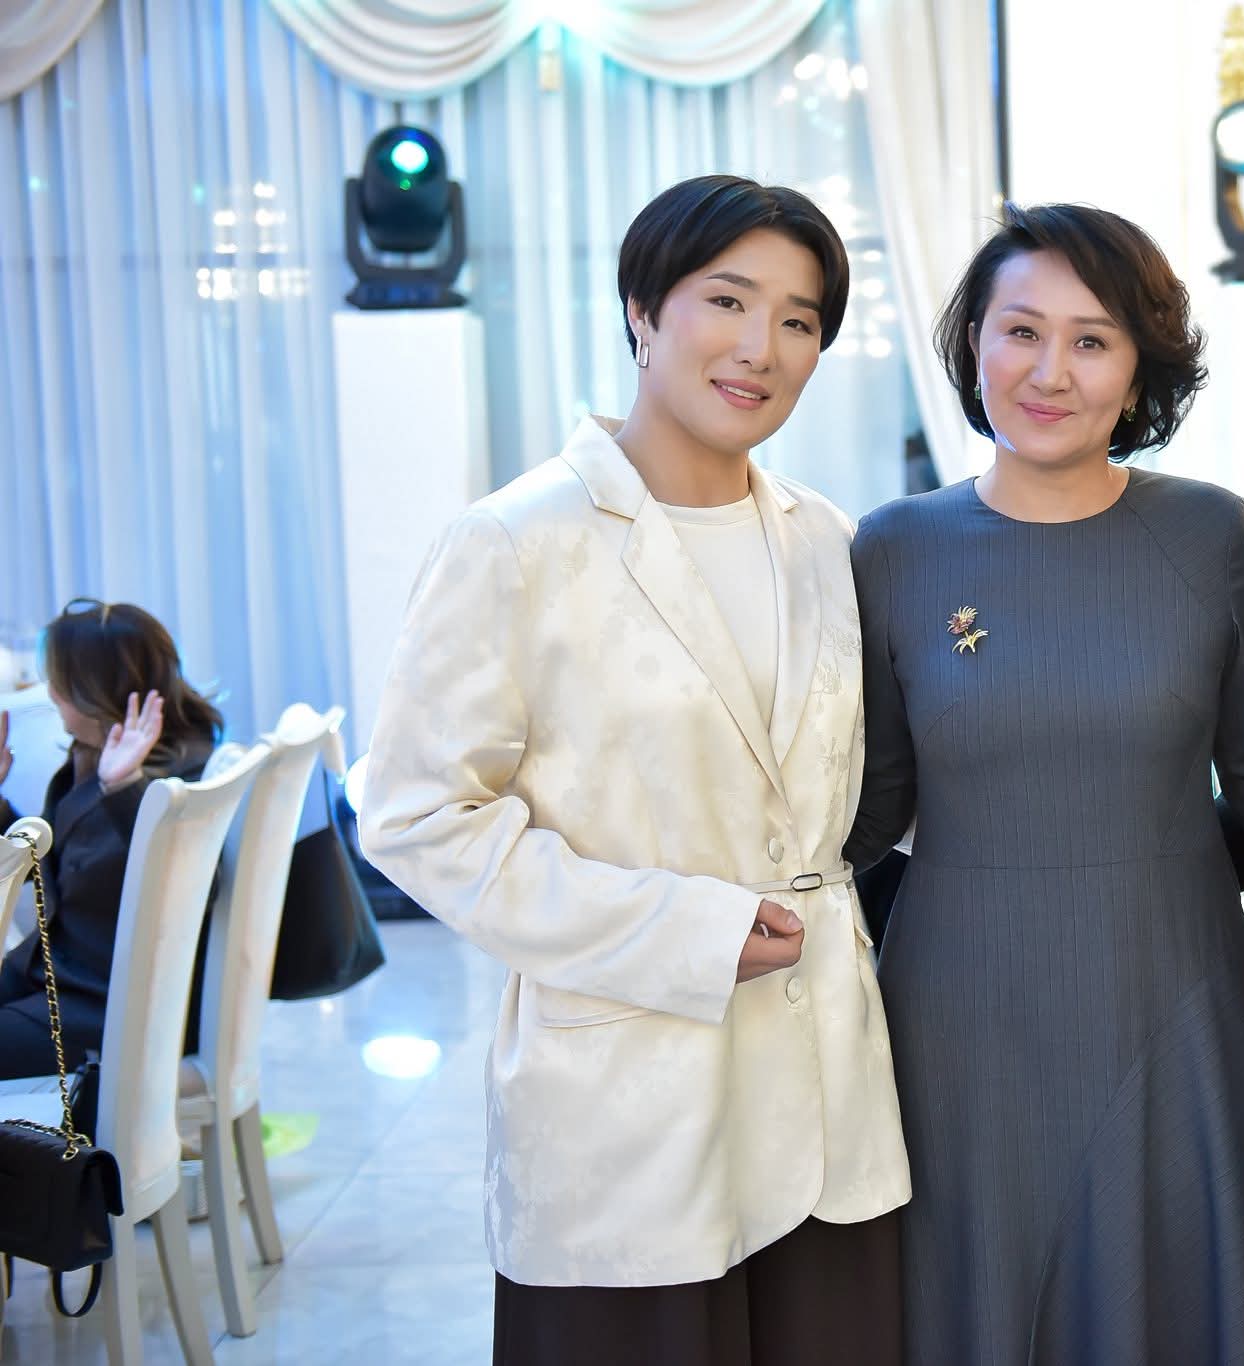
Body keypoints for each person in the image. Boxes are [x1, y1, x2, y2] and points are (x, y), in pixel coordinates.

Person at [359, 175, 910, 1366]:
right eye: (728, 300)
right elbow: (415, 817)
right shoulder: (515, 540)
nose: (760, 347)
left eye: (799, 319)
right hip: (628, 1110)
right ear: (642, 311)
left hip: (829, 1102)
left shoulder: (827, 538)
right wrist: (681, 930)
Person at [844, 202, 1244, 1364]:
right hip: (955, 1021)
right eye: (1020, 331)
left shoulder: (1208, 534)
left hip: (1171, 998)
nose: (1049, 372)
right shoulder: (891, 547)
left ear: (1139, 366)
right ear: (972, 344)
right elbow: (866, 810)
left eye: (1091, 340)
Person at [0, 599, 219, 1080]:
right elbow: (46, 862)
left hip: (105, 1009)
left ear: (92, 689)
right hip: (60, 981)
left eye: (58, 682)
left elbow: (187, 879)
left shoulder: (173, 780)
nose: (50, 694)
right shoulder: (91, 759)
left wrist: (124, 788)